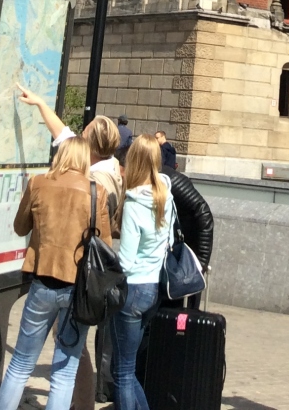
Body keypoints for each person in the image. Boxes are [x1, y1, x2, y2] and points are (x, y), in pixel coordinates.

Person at [0, 136, 112, 410]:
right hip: (77, 289)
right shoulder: (96, 192)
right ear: (84, 159)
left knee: (20, 364)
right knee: (64, 373)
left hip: (42, 282)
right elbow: (104, 244)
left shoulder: (38, 183)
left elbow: (20, 227)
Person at [111, 135, 176, 410]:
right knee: (128, 369)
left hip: (132, 289)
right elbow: (169, 241)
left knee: (122, 372)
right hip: (154, 288)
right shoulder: (165, 196)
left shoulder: (134, 202)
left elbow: (126, 261)